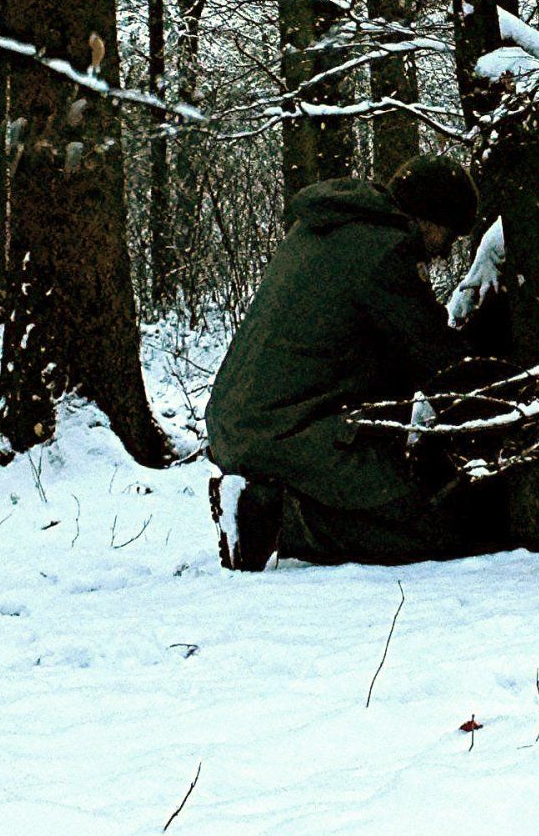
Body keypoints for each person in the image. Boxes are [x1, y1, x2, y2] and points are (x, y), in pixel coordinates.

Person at [205, 155, 503, 567]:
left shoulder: (327, 228)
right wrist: (505, 380)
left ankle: (271, 500)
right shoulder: (384, 251)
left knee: (394, 484)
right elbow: (436, 361)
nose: (447, 248)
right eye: (449, 235)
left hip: (243, 422)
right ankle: (277, 517)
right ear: (429, 217)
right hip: (286, 433)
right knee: (434, 527)